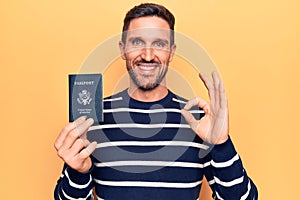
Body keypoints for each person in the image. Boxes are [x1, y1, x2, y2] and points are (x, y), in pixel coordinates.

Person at [54, 3, 258, 200]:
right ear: (122, 49)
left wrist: (222, 144)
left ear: (171, 51)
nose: (148, 55)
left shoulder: (198, 121)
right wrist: (78, 172)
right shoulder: (94, 117)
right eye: (137, 42)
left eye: (159, 44)